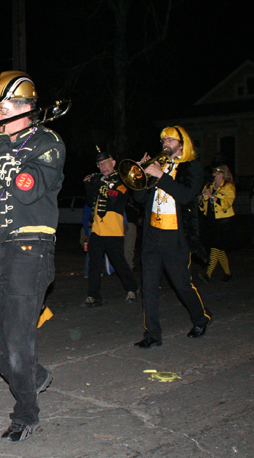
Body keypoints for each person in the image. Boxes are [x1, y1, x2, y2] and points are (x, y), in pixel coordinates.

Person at [0, 71, 65, 442]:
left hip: (31, 247)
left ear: (23, 108)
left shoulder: (47, 142)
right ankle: (34, 377)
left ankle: (26, 412)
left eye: (1, 108)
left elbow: (26, 189)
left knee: (16, 336)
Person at [132, 125, 211, 349]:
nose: (165, 143)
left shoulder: (191, 167)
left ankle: (201, 318)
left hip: (175, 236)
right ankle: (152, 334)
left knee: (181, 284)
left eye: (170, 139)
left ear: (181, 143)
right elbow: (139, 200)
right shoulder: (159, 165)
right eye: (163, 140)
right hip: (152, 233)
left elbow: (186, 196)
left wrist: (161, 175)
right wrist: (141, 174)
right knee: (148, 285)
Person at [82, 146, 138, 306]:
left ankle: (132, 289)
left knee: (119, 262)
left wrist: (98, 184)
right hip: (97, 229)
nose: (104, 167)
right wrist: (88, 184)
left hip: (113, 230)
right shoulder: (99, 180)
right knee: (93, 264)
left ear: (113, 163)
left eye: (106, 163)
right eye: (101, 165)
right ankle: (93, 296)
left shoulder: (121, 180)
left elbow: (114, 196)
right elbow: (90, 201)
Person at [199, 164, 236, 282]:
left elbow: (227, 203)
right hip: (211, 219)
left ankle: (207, 274)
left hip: (223, 220)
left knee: (215, 247)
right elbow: (204, 205)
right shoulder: (209, 186)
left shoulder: (228, 187)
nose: (214, 174)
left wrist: (212, 197)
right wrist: (201, 200)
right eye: (213, 172)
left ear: (222, 174)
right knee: (219, 249)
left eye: (216, 172)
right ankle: (228, 273)